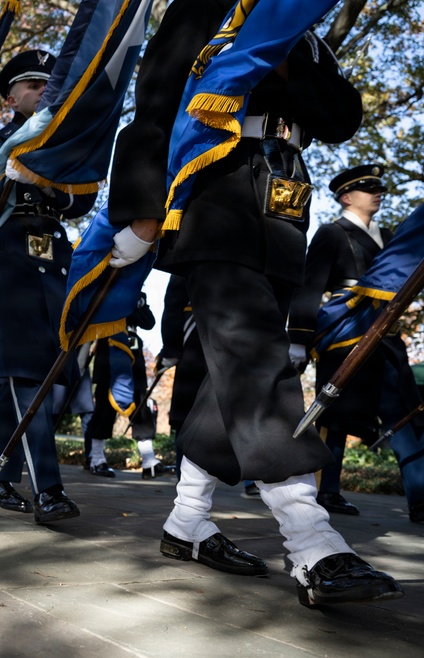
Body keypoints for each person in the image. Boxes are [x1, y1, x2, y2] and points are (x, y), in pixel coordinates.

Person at [107, 1, 401, 606]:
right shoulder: (208, 9)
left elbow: (341, 115)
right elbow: (155, 100)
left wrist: (286, 55)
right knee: (253, 357)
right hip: (215, 194)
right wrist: (140, 211)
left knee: (233, 374)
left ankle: (187, 522)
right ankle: (312, 543)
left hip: (284, 204)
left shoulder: (297, 26)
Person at [0, 50, 94, 523]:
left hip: (53, 254)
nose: (42, 90)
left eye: (48, 83)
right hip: (5, 256)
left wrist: (59, 188)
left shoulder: (58, 146)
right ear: (10, 96)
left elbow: (76, 204)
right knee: (26, 368)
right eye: (31, 85)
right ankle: (48, 487)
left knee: (30, 370)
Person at [288, 164, 424, 523]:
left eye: (379, 187)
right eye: (368, 188)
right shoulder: (332, 233)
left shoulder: (393, 236)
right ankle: (326, 490)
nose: (378, 192)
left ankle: (420, 498)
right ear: (346, 196)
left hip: (386, 335)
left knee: (404, 416)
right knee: (335, 417)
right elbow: (310, 286)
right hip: (345, 335)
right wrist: (299, 338)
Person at [86, 293, 175, 479]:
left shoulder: (136, 294)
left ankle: (149, 462)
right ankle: (96, 459)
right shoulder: (106, 289)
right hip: (109, 352)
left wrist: (138, 302)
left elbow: (148, 322)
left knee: (141, 410)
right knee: (104, 410)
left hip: (133, 355)